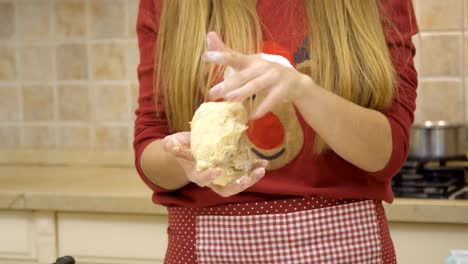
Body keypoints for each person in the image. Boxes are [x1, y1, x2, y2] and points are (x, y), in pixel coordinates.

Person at [134, 0, 418, 263]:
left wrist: (303, 90)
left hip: (346, 245)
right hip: (208, 245)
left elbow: (386, 154)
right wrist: (184, 158)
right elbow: (151, 145)